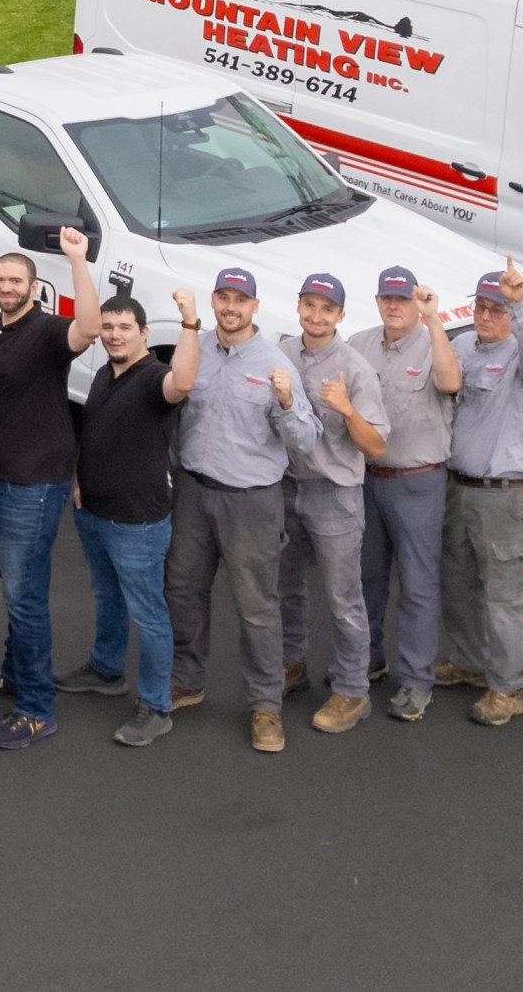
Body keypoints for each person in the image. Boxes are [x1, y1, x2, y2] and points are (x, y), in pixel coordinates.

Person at [163, 269, 316, 752]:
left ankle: (266, 707)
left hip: (252, 501)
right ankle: (186, 681)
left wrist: (288, 402)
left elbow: (307, 442)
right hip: (192, 490)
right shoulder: (195, 349)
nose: (230, 307)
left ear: (254, 306)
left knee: (256, 608)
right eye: (223, 298)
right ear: (213, 300)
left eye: (240, 300)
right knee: (183, 589)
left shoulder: (274, 363)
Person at [0, 229, 104, 752]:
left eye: (14, 280)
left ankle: (37, 709)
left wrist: (77, 260)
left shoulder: (47, 332)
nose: (4, 287)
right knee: (13, 587)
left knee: (25, 597)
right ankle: (13, 673)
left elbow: (89, 327)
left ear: (34, 287)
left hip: (33, 485)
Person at [273, 272, 390, 737]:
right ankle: (291, 662)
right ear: (298, 305)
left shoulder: (355, 369)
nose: (316, 316)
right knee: (285, 587)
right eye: (309, 305)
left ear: (341, 315)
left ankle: (352, 690)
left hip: (334, 495)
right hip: (285, 488)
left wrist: (346, 408)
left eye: (327, 309)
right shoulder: (279, 354)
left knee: (344, 600)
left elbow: (376, 446)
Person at [74, 292, 194, 747]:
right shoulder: (106, 372)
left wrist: (189, 324)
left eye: (124, 328)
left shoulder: (154, 378)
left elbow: (182, 383)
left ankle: (156, 705)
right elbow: (97, 431)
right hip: (95, 510)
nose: (114, 335)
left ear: (144, 333)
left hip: (136, 521)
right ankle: (106, 669)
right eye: (108, 327)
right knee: (108, 595)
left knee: (148, 612)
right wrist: (80, 479)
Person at [441, 264, 523, 728]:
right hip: (460, 487)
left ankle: (508, 687)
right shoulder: (462, 345)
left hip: (508, 494)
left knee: (504, 597)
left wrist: (521, 304)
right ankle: (468, 662)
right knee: (457, 581)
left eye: (497, 309)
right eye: (481, 307)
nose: (486, 316)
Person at [350, 265, 464, 723]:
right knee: (366, 578)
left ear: (416, 304)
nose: (394, 306)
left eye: (402, 299)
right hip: (366, 479)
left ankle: (417, 681)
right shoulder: (359, 344)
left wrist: (435, 321)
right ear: (377, 301)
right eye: (387, 298)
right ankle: (370, 658)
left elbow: (451, 382)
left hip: (418, 481)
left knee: (416, 586)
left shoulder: (434, 342)